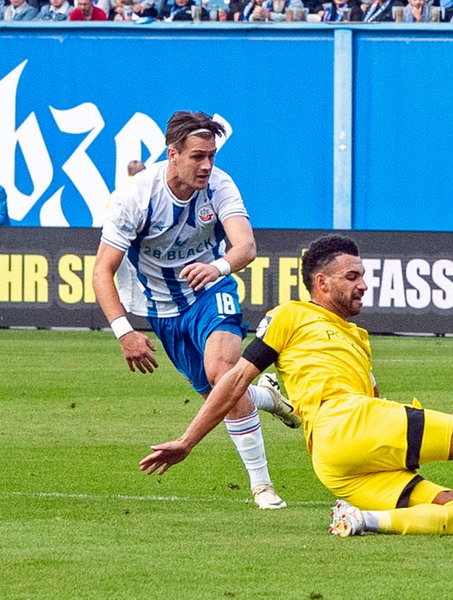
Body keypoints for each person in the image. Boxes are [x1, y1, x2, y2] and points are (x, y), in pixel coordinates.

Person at [139, 235, 453, 536]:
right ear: (321, 284)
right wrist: (188, 440)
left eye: (364, 275)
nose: (363, 283)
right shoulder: (290, 315)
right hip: (346, 427)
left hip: (342, 464)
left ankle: (360, 521)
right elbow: (233, 381)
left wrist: (448, 425)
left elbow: (382, 417)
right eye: (352, 276)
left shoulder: (357, 338)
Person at [93, 111, 300, 510]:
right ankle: (268, 397)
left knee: (222, 372)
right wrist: (124, 331)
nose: (207, 165)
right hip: (163, 310)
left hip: (211, 291)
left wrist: (217, 267)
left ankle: (262, 486)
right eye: (198, 156)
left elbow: (246, 246)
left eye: (212, 156)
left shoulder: (219, 185)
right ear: (173, 154)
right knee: (217, 397)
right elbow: (103, 269)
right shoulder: (136, 196)